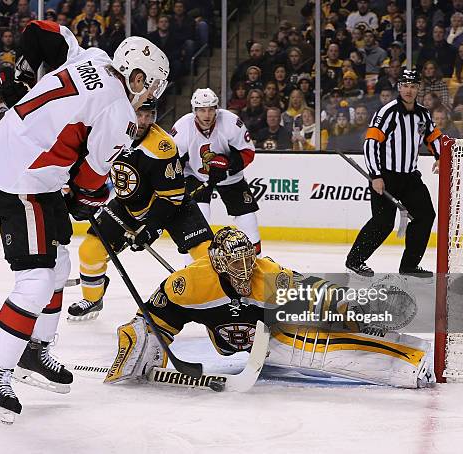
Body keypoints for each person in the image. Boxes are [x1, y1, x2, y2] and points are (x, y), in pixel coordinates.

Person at [0, 20, 169, 425]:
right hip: (19, 179)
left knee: (59, 264)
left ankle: (34, 351)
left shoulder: (91, 57)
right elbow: (90, 180)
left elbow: (42, 31)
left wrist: (19, 73)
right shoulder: (120, 115)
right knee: (36, 280)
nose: (149, 96)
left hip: (28, 166)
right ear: (137, 77)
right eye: (150, 87)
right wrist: (87, 200)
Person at [103, 227, 434, 389]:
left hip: (271, 329)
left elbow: (314, 289)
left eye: (249, 261)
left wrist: (351, 306)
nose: (246, 271)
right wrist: (139, 344)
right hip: (237, 341)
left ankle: (409, 361)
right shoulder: (190, 284)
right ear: (218, 264)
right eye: (236, 264)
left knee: (302, 346)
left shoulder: (269, 276)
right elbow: (152, 320)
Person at [67, 99, 214, 321]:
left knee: (205, 253)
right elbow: (85, 164)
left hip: (172, 205)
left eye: (150, 115)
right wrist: (79, 195)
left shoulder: (161, 146)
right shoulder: (107, 132)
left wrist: (151, 229)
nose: (144, 121)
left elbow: (171, 197)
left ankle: (217, 300)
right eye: (139, 114)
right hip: (129, 204)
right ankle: (93, 298)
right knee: (90, 251)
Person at [345, 70, 454, 278]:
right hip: (386, 176)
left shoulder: (423, 114)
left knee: (425, 215)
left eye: (413, 86)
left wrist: (440, 157)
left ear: (418, 89)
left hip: (410, 177)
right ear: (399, 87)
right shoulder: (388, 112)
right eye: (405, 85)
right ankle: (355, 260)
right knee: (383, 223)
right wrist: (375, 175)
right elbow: (370, 144)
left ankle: (409, 266)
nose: (409, 90)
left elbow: (434, 138)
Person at [171, 88, 261, 254]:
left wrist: (229, 165)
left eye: (211, 109)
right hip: (196, 175)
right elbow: (173, 161)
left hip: (230, 176)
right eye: (202, 110)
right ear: (194, 111)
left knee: (248, 218)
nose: (207, 115)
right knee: (198, 218)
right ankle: (193, 267)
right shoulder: (182, 127)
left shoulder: (230, 122)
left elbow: (248, 152)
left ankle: (257, 261)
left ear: (216, 109)